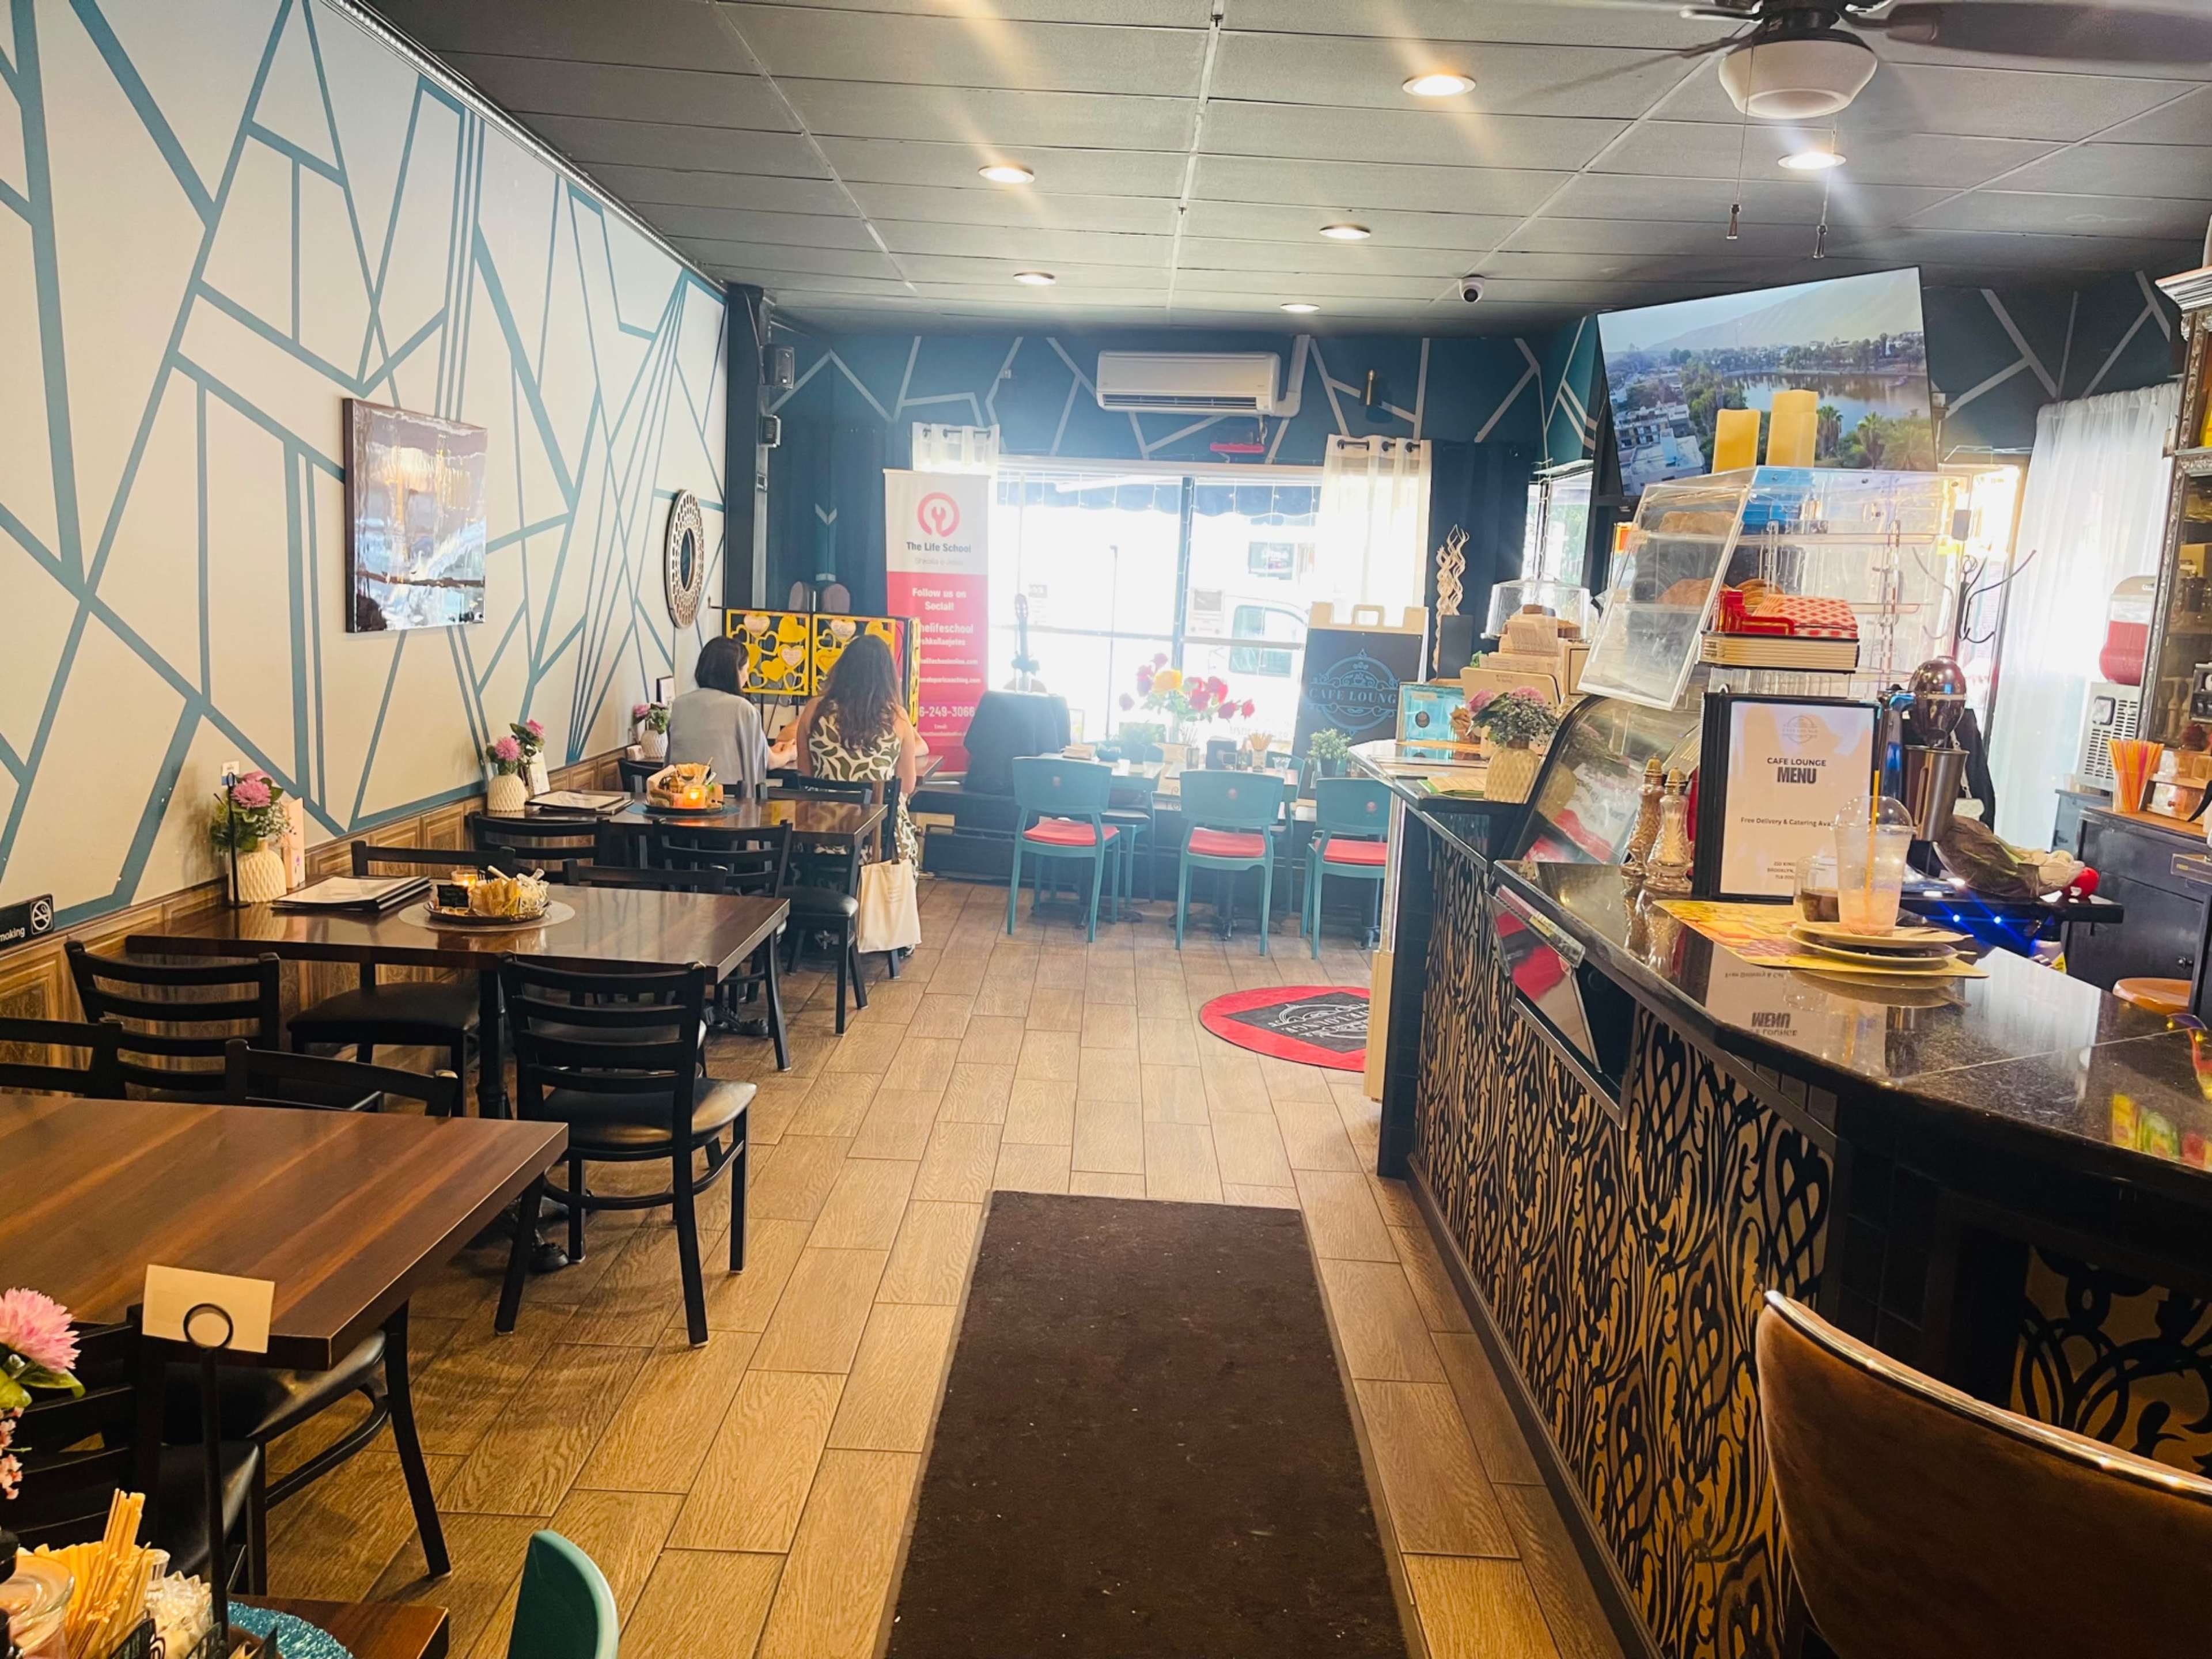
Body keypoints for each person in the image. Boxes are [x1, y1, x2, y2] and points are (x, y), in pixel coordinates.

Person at [794, 632, 921, 864]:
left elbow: (806, 775)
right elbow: (908, 784)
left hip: (823, 840)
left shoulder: (814, 710)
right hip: (876, 848)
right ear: (887, 676)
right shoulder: (897, 718)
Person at [666, 637, 770, 798]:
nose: (747, 678)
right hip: (730, 809)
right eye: (746, 670)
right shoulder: (743, 710)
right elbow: (757, 766)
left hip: (680, 805)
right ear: (735, 672)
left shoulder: (679, 705)